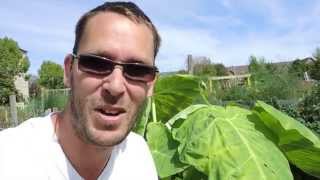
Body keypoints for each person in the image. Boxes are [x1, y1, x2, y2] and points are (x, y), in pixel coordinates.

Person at [0, 1, 161, 180]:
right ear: (69, 71)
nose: (115, 87)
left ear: (151, 85)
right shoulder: (9, 158)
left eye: (137, 70)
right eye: (96, 63)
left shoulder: (139, 157)